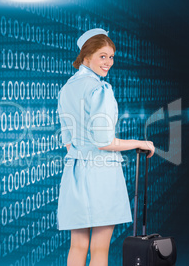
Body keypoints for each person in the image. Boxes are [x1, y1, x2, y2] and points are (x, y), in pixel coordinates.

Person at [56, 28, 155, 266]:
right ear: (86, 56)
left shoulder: (66, 89)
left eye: (111, 57)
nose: (108, 62)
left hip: (75, 174)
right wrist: (141, 143)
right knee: (100, 250)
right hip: (101, 176)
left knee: (77, 246)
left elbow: (68, 142)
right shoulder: (100, 89)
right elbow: (104, 142)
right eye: (102, 56)